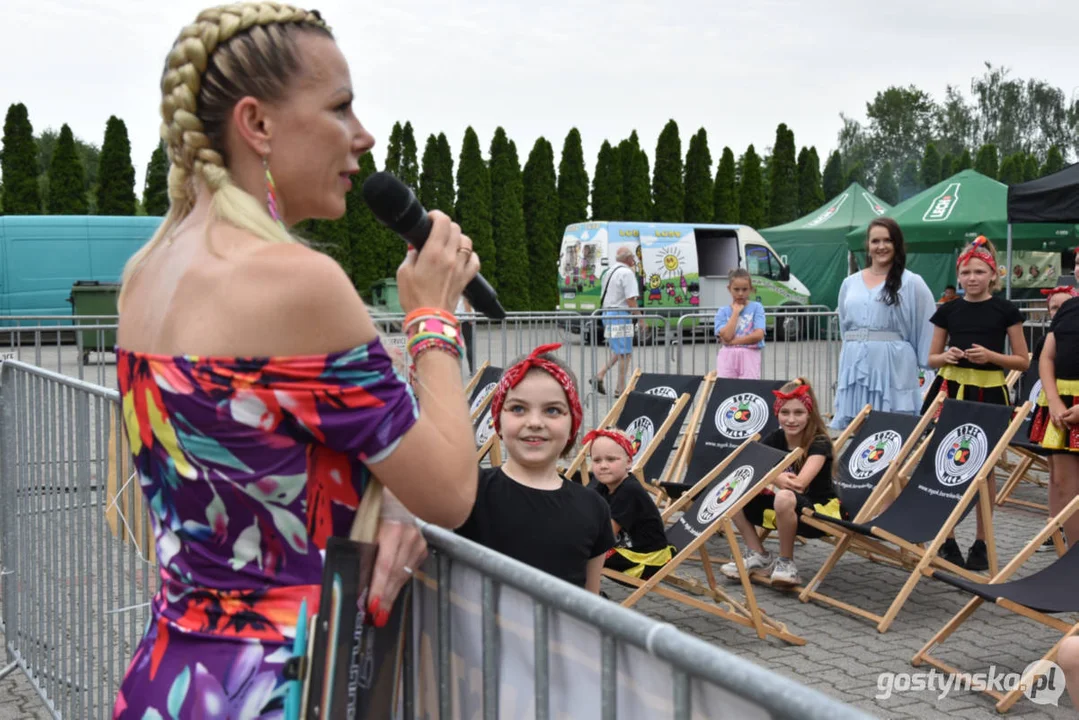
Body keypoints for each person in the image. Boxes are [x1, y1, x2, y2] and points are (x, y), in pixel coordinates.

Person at [110, 7, 480, 716]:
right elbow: (450, 492)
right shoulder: (297, 282)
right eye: (340, 106)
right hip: (274, 688)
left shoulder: (146, 272)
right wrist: (433, 316)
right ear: (257, 124)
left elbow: (263, 454)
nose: (363, 136)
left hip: (169, 679)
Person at [456, 344, 615, 592]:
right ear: (498, 419)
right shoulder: (467, 491)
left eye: (552, 410)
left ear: (572, 423)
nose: (534, 422)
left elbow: (590, 600)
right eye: (518, 408)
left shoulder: (594, 508)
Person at [924, 236, 1028, 571]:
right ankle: (947, 538)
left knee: (986, 467)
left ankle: (982, 541)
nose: (972, 277)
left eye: (979, 271)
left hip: (990, 392)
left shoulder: (1005, 310)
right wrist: (948, 355)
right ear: (959, 274)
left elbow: (1024, 361)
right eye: (966, 271)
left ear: (993, 275)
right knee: (942, 461)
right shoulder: (948, 310)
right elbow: (931, 359)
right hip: (950, 390)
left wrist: (991, 356)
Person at [720, 378, 839, 586]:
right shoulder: (776, 438)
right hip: (786, 508)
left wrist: (772, 475)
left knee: (784, 495)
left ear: (809, 414)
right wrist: (775, 476)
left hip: (817, 512)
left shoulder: (819, 442)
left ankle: (786, 563)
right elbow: (748, 465)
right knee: (732, 488)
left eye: (798, 413)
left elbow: (799, 485)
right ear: (777, 413)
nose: (791, 420)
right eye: (785, 413)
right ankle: (759, 555)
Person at [831, 218, 936, 429]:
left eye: (887, 240)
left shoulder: (912, 282)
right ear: (867, 246)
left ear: (896, 244)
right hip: (856, 363)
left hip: (893, 364)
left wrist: (928, 364)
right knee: (857, 427)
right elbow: (845, 325)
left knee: (892, 426)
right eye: (875, 241)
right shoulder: (849, 283)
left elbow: (927, 327)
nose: (881, 246)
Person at [586, 427, 674, 579]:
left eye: (611, 459)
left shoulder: (629, 491)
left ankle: (582, 594)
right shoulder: (603, 485)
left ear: (628, 462)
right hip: (627, 551)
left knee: (582, 551)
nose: (603, 465)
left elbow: (605, 536)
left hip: (648, 559)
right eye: (597, 460)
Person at [1029, 287, 1079, 546]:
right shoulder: (1069, 308)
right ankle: (1072, 561)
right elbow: (1047, 358)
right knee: (1063, 483)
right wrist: (1055, 401)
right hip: (1063, 404)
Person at [593, 246, 645, 396]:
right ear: (629, 259)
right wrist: (641, 319)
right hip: (619, 315)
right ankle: (620, 389)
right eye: (633, 258)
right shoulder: (627, 273)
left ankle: (599, 375)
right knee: (625, 353)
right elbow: (630, 299)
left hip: (607, 314)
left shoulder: (609, 272)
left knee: (620, 350)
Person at [713, 268, 766, 379]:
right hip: (727, 357)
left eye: (744, 289)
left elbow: (758, 335)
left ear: (750, 289)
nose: (740, 293)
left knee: (748, 388)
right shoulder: (722, 311)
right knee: (726, 389)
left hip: (750, 355)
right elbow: (726, 335)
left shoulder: (757, 307)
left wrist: (733, 342)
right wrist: (735, 313)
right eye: (736, 289)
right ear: (729, 289)